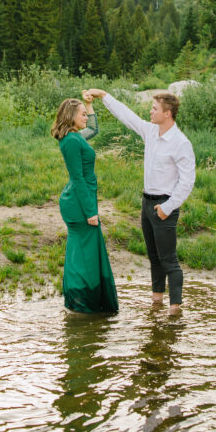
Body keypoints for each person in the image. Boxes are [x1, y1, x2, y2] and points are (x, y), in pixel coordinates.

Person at [86, 89, 194, 314]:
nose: (150, 111)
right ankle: (156, 303)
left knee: (169, 261)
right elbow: (127, 116)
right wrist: (104, 96)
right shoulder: (150, 131)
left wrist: (167, 208)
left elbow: (186, 183)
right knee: (154, 257)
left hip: (165, 205)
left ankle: (175, 311)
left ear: (168, 113)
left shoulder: (181, 143)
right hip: (147, 203)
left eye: (155, 109)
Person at [52, 96, 118, 314]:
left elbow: (94, 129)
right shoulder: (71, 141)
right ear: (71, 116)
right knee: (83, 255)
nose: (85, 118)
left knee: (85, 253)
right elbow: (78, 178)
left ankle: (85, 301)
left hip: (83, 200)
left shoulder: (76, 136)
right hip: (79, 205)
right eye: (82, 114)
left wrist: (89, 105)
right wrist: (91, 212)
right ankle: (81, 301)